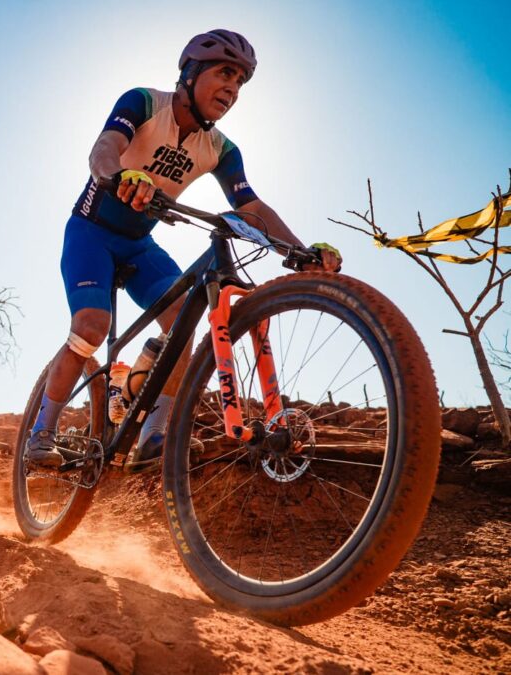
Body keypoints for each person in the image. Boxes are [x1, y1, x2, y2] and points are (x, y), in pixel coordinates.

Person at [25, 30, 343, 470]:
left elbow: (249, 205)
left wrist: (301, 250)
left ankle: (153, 434)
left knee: (183, 322)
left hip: (139, 244)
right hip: (91, 232)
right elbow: (103, 149)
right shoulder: (143, 103)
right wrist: (119, 177)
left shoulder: (220, 148)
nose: (232, 88)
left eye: (240, 82)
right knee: (92, 326)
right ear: (191, 74)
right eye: (225, 73)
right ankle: (41, 431)